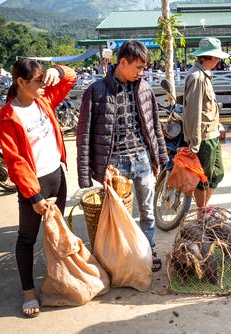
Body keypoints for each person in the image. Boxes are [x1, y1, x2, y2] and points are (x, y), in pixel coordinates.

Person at [76, 40, 168, 271]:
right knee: (118, 216)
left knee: (147, 210)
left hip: (142, 158)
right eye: (138, 67)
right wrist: (94, 172)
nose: (141, 72)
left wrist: (162, 158)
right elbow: (84, 135)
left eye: (144, 68)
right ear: (123, 62)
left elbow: (154, 126)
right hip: (114, 165)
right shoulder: (95, 92)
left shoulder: (144, 88)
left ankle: (148, 249)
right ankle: (122, 255)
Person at [0, 59, 76, 317]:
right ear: (20, 82)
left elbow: (71, 78)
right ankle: (28, 293)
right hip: (34, 184)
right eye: (37, 80)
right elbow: (15, 161)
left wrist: (58, 71)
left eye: (44, 80)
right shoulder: (7, 116)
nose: (43, 85)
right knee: (26, 239)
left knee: (57, 235)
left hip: (57, 177)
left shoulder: (43, 99)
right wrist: (34, 196)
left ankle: (59, 280)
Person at [182, 37, 228, 211]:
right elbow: (193, 113)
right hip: (203, 137)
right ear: (206, 58)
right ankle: (202, 212)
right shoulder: (197, 77)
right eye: (215, 58)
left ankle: (203, 206)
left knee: (217, 174)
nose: (217, 61)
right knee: (203, 178)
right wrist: (194, 144)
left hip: (212, 133)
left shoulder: (204, 75)